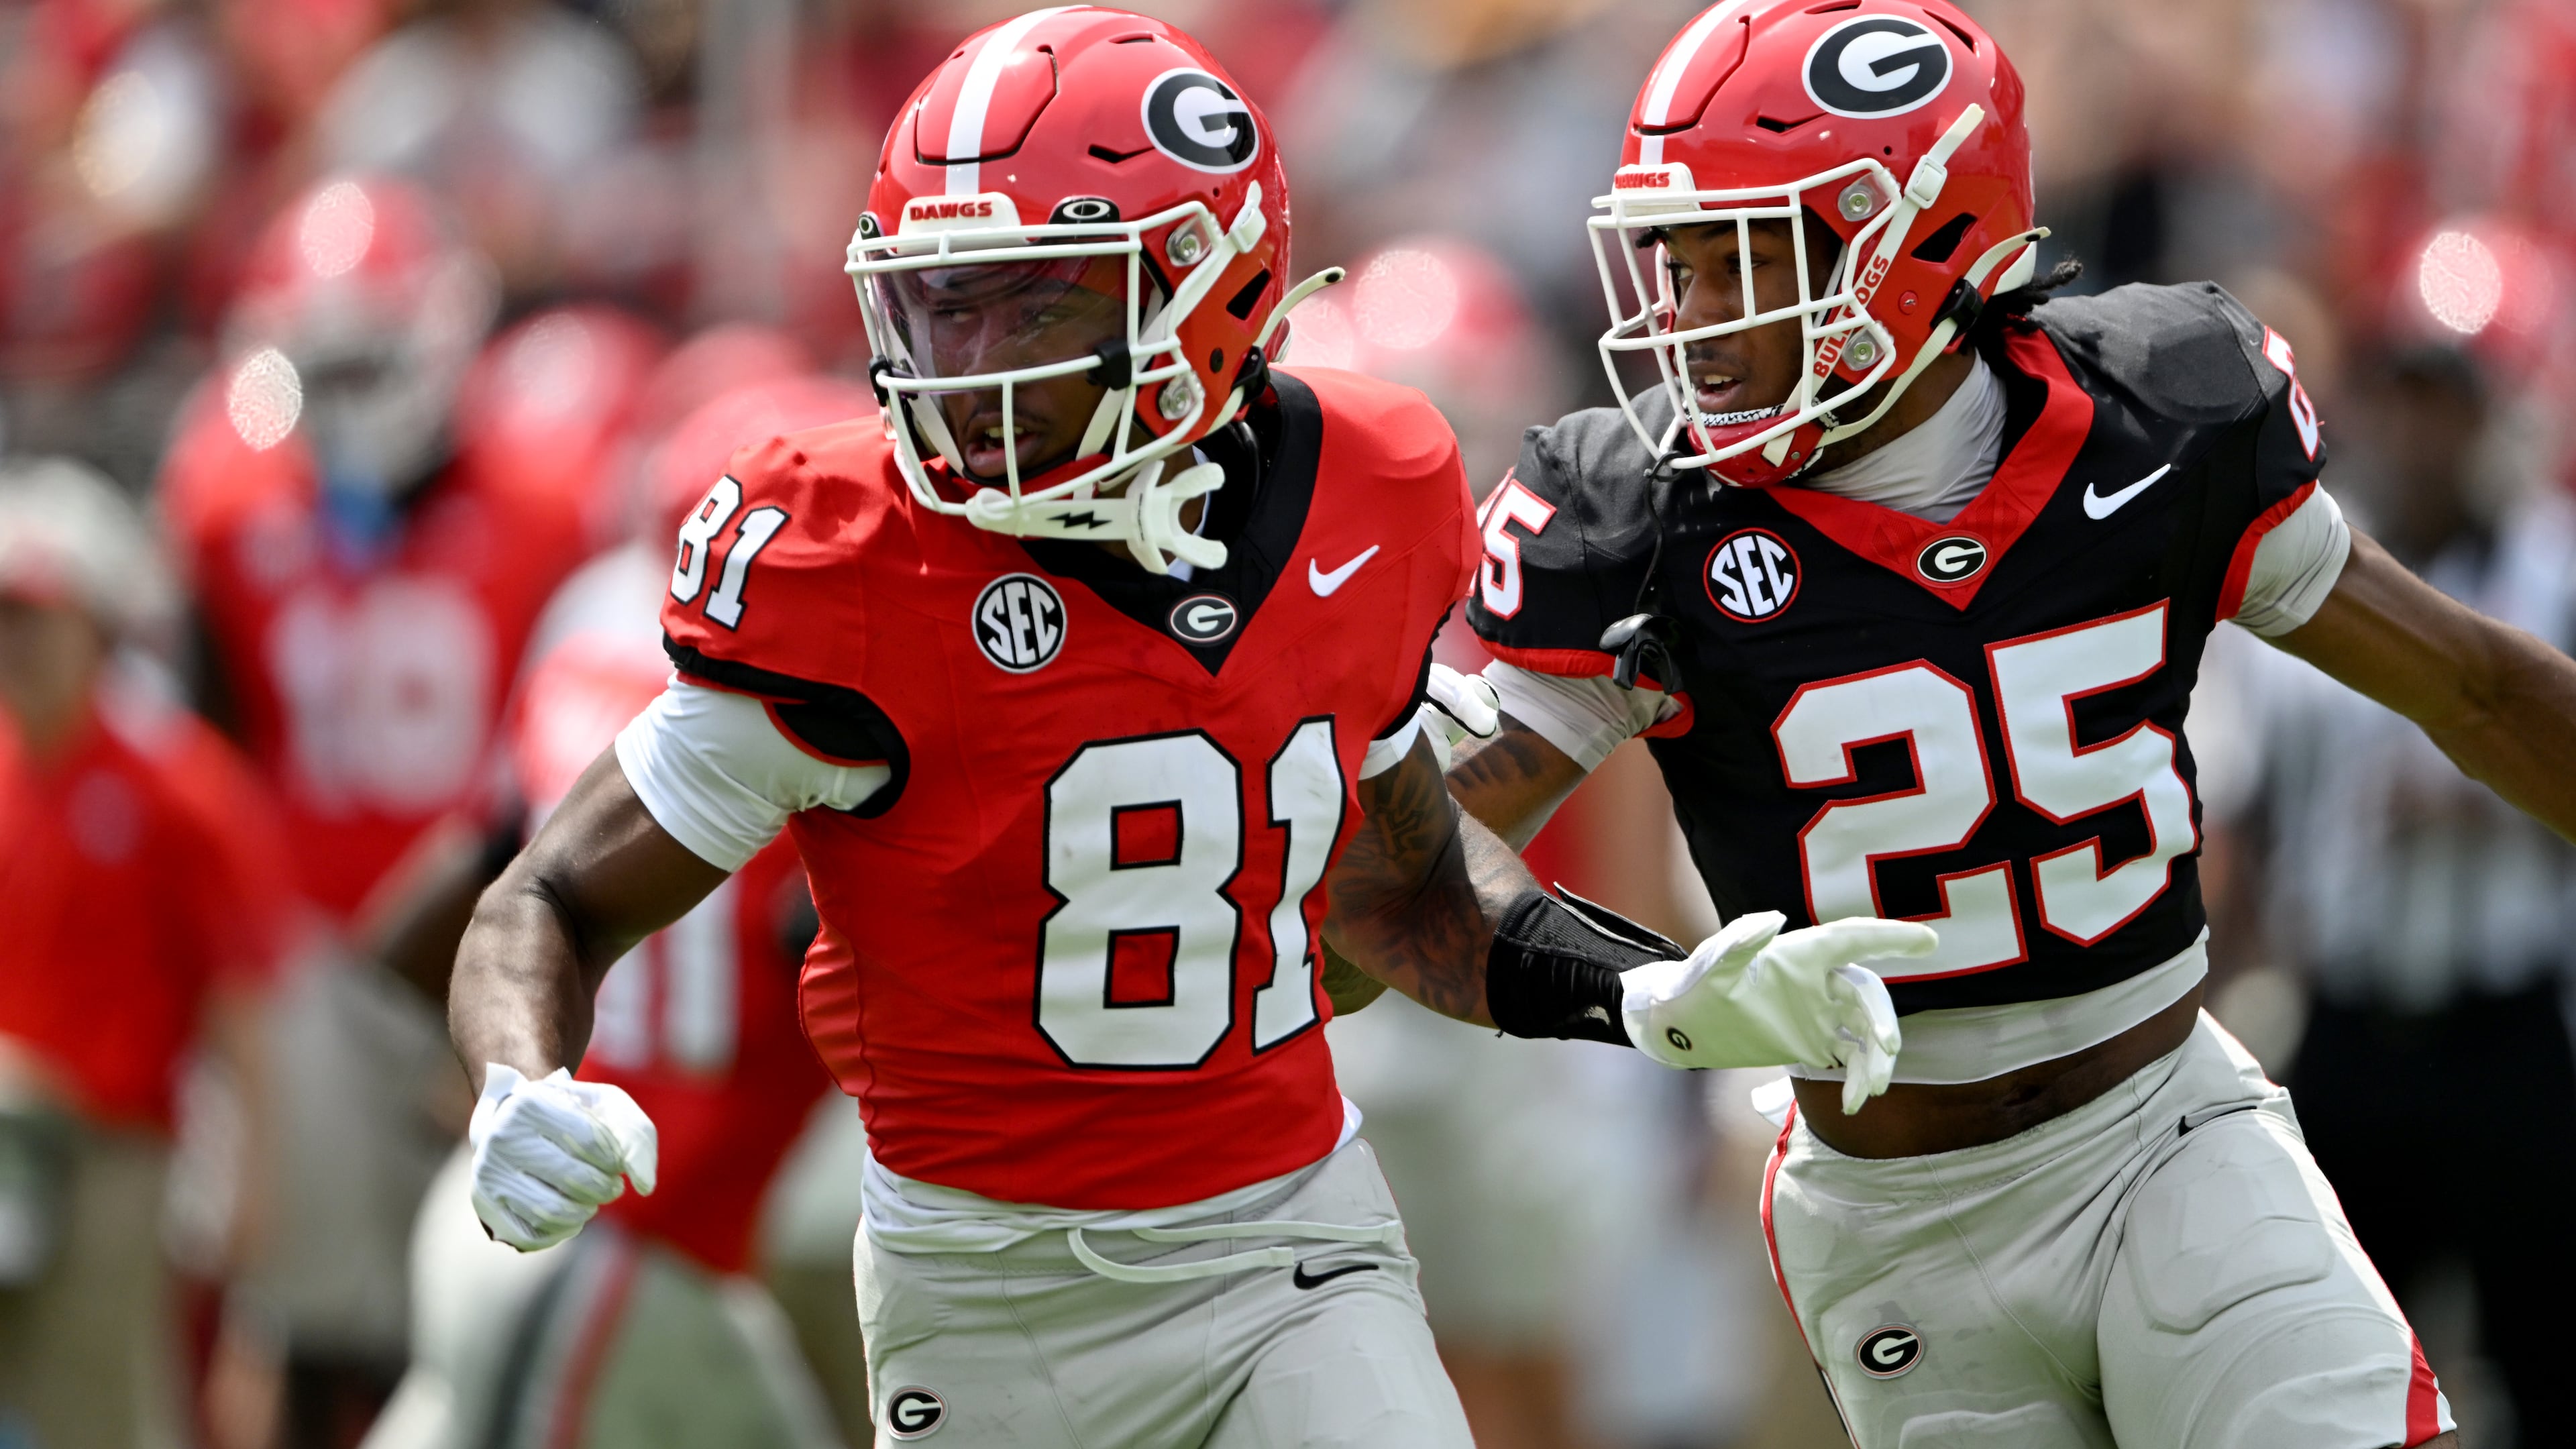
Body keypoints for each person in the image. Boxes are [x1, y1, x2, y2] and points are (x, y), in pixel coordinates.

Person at [443, 11, 1934, 1448]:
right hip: (981, 1284)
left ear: (1205, 290)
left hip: (1285, 1236)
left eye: (1040, 300)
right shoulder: (841, 556)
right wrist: (518, 1081)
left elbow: (1401, 895)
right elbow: (553, 896)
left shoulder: (1373, 479)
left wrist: (1647, 995)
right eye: (942, 302)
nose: (970, 366)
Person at [1447, 3, 2576, 1444]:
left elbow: (2473, 685)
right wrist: (1639, 994)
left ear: (1930, 244)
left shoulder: (2157, 420)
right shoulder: (1636, 524)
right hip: (1896, 1218)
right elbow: (1402, 866)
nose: (1699, 316)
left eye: (1757, 254)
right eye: (1682, 254)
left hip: (2169, 1136)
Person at [157, 174, 663, 1426]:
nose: (337, 404)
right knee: (323, 1314)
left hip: (490, 932)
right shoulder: (226, 500)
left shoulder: (546, 504)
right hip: (314, 957)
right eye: (313, 369)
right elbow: (211, 740)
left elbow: (559, 761)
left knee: (505, 1285)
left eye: (367, 364)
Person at [358, 372, 871, 1449]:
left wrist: (495, 1084)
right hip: (629, 1262)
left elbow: (435, 912)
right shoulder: (822, 718)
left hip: (530, 1217)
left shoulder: (588, 641)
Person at [2214, 340, 2576, 1441]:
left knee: (2551, 1358)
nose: (2423, 441)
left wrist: (2506, 792)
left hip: (2509, 1027)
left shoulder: (2556, 574)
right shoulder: (2300, 576)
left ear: (2489, 422)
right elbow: (2255, 822)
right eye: (2405, 407)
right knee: (2337, 1377)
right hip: (2351, 1029)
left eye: (2446, 411)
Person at [0, 457, 287, 1448]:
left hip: (114, 1151)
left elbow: (243, 997)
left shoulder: (177, 786)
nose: (15, 643)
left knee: (99, 1409)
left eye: (35, 614)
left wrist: (250, 1176)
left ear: (99, 620)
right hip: (8, 1128)